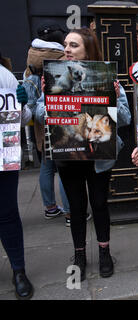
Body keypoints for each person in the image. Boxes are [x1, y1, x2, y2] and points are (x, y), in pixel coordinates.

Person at [35, 28, 131, 281]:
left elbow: (126, 118)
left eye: (73, 45)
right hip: (68, 155)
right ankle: (79, 254)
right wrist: (46, 96)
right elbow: (37, 116)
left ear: (87, 50)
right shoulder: (53, 77)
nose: (66, 49)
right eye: (66, 44)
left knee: (99, 204)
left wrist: (113, 95)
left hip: (99, 156)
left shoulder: (107, 77)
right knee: (76, 208)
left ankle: (104, 252)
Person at [21, 21, 72, 225]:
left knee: (47, 165)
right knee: (66, 167)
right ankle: (70, 212)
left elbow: (29, 102)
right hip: (64, 121)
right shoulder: (63, 60)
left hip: (42, 125)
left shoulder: (31, 64)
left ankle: (50, 207)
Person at [0, 51, 34, 299]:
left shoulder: (4, 76)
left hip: (2, 156)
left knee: (7, 213)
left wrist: (20, 105)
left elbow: (23, 120)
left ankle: (18, 270)